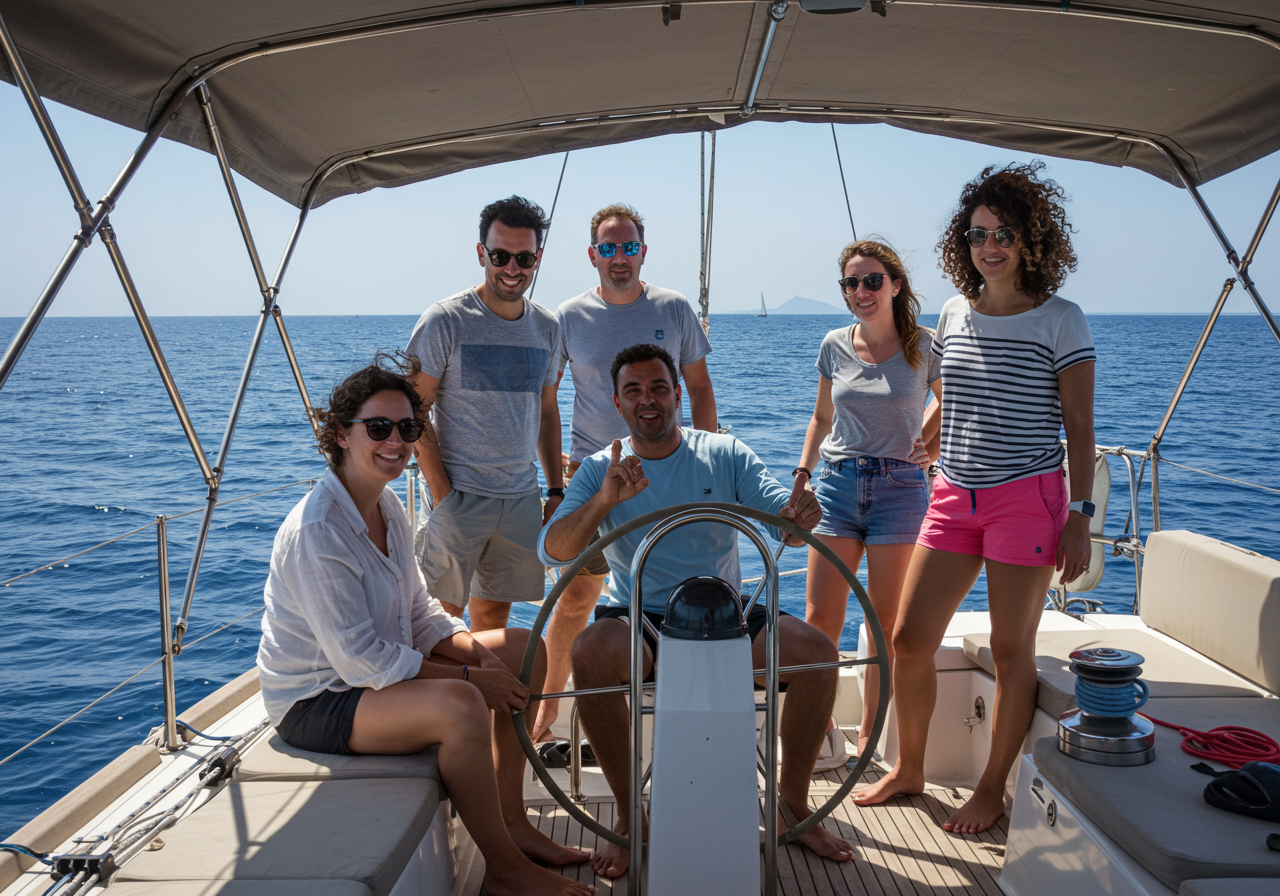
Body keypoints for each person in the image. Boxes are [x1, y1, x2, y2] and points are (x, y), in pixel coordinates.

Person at [256, 354, 593, 896]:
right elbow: (359, 660)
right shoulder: (318, 531)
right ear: (341, 434)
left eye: (408, 428)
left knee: (520, 649)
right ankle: (503, 870)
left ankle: (513, 822)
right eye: (379, 427)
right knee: (460, 707)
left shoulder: (385, 505)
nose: (396, 440)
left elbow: (418, 610)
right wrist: (467, 679)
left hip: (370, 678)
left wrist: (475, 655)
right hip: (318, 699)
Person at [539, 343, 855, 879]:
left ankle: (791, 806)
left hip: (728, 612)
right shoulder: (601, 469)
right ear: (616, 404)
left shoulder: (724, 453)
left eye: (659, 387)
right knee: (589, 654)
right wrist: (602, 503)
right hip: (640, 616)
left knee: (819, 656)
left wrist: (799, 512)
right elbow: (555, 549)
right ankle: (627, 814)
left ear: (678, 394)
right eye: (633, 391)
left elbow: (787, 525)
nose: (647, 400)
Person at [853, 162, 1096, 835]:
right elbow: (954, 389)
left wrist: (1081, 518)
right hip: (954, 495)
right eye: (977, 233)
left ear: (1033, 240)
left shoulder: (1061, 320)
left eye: (1004, 234)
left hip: (1029, 499)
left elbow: (1080, 428)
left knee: (1011, 650)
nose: (989, 246)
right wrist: (930, 434)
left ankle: (990, 790)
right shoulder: (955, 312)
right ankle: (909, 768)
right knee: (907, 639)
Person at [533, 203, 717, 742]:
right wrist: (555, 485)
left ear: (643, 251)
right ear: (592, 255)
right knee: (574, 598)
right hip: (594, 477)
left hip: (668, 469)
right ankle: (549, 711)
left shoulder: (674, 307)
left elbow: (700, 389)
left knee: (682, 586)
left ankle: (683, 715)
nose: (619, 257)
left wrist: (709, 458)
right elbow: (548, 406)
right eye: (608, 248)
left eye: (629, 246)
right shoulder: (567, 316)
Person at [794, 239, 941, 761]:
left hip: (899, 491)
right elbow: (820, 418)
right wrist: (803, 475)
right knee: (819, 622)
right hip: (834, 484)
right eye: (851, 283)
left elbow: (952, 402)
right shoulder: (834, 343)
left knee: (884, 627)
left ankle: (868, 737)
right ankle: (818, 724)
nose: (862, 291)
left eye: (872, 280)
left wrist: (928, 445)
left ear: (896, 285)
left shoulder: (925, 344)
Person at [406, 195, 565, 632]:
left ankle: (486, 703)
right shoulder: (444, 321)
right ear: (481, 254)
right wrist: (444, 497)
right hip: (459, 496)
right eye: (500, 256)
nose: (512, 268)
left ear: (538, 258)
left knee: (494, 624)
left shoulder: (548, 328)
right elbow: (413, 413)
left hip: (520, 499)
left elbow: (547, 412)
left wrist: (554, 490)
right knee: (438, 628)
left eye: (524, 257)